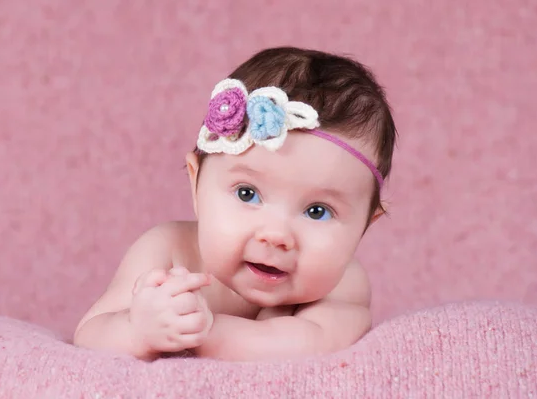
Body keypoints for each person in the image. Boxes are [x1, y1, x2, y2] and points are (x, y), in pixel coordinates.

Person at [73, 46, 397, 362]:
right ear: (195, 183)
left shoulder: (342, 285)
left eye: (317, 211)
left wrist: (204, 330)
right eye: (247, 194)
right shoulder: (167, 251)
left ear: (365, 226)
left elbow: (311, 343)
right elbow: (90, 334)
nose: (275, 235)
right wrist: (136, 330)